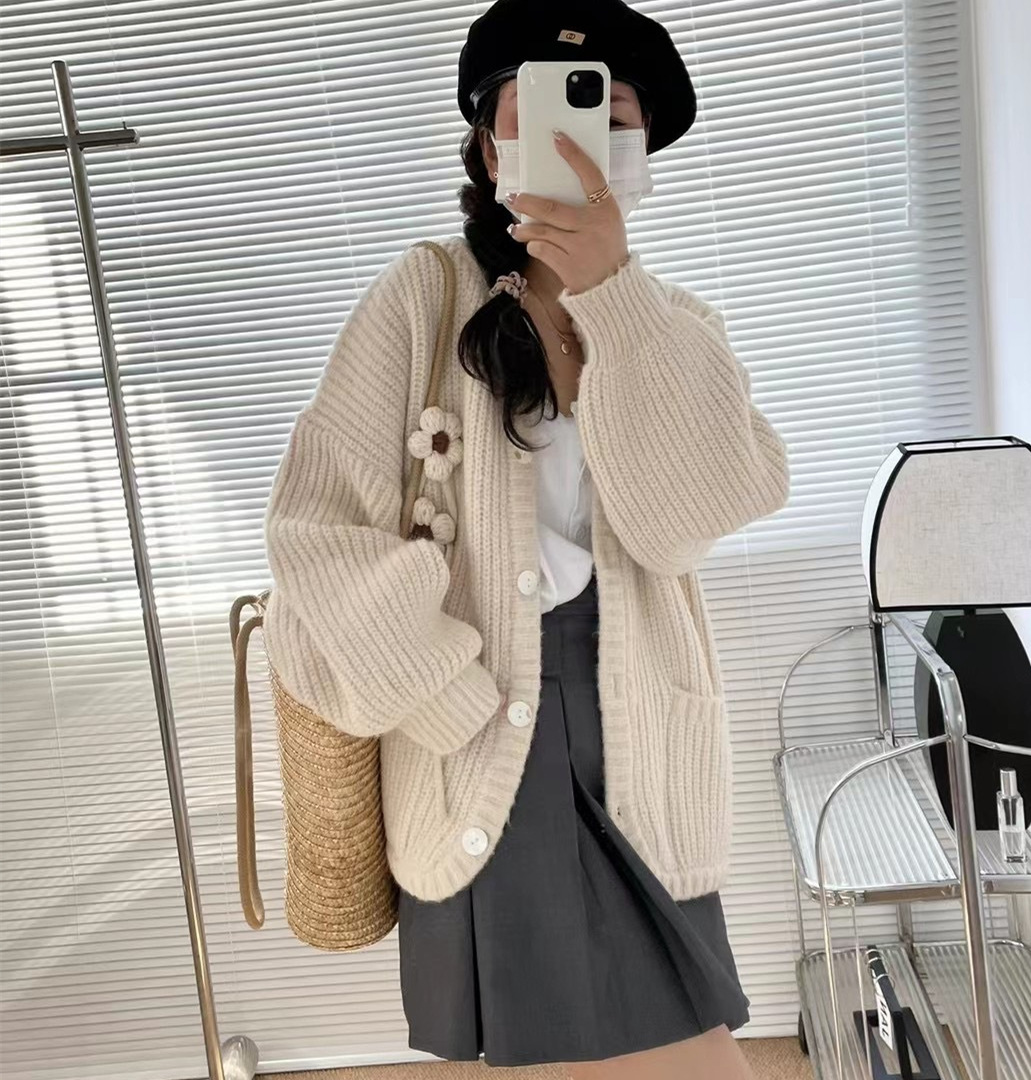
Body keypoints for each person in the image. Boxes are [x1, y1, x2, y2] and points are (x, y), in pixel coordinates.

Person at [263, 1, 789, 1076]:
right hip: (473, 717)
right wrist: (447, 699)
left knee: (686, 1045)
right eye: (536, 109)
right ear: (487, 145)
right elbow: (317, 531)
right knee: (542, 1051)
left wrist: (612, 294)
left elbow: (683, 527)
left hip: (639, 727)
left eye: (610, 112)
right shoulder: (423, 296)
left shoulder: (677, 325)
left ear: (644, 149)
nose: (579, 137)